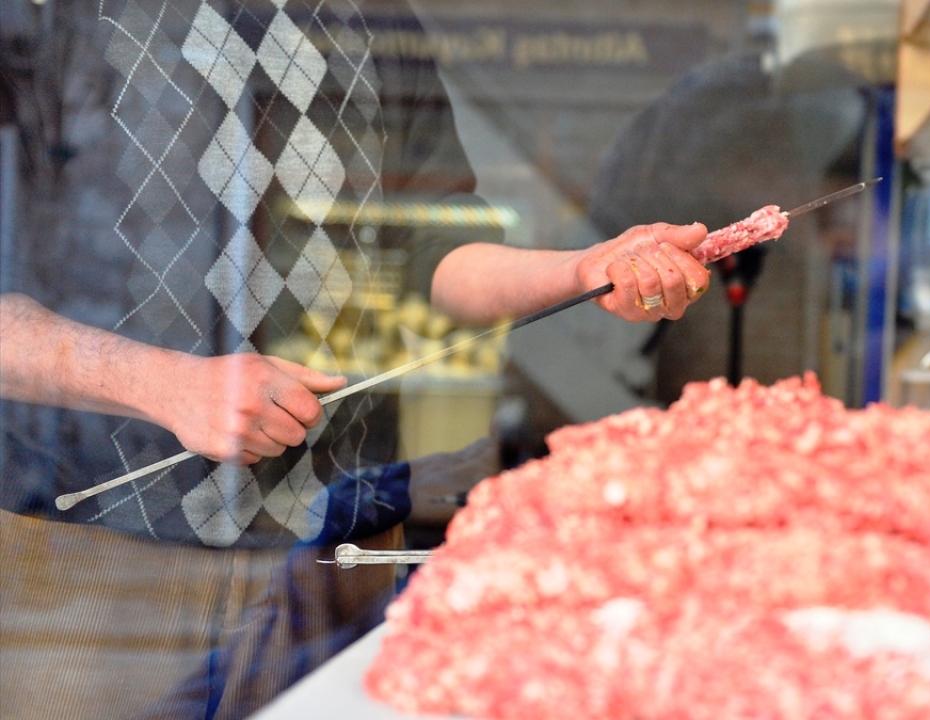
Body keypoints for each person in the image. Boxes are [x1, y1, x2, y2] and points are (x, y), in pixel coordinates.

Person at [0, 1, 710, 718]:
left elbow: (428, 251)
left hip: (339, 555)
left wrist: (584, 270)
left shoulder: (372, 17)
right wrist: (163, 383)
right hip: (93, 561)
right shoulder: (42, 18)